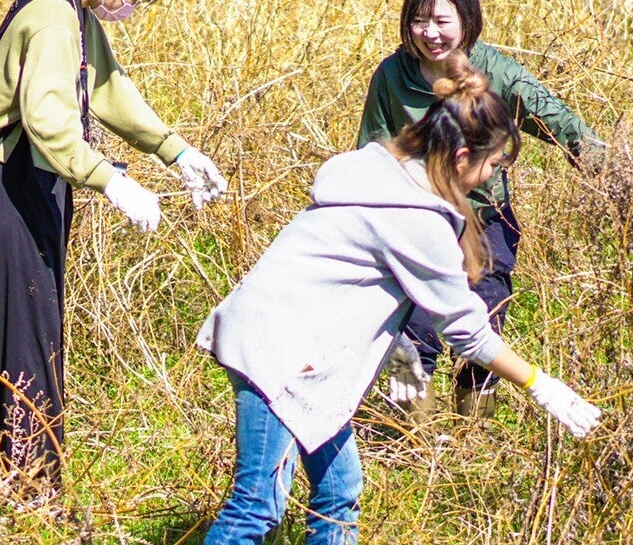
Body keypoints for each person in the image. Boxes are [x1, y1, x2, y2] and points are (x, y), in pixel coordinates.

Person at [196, 58, 602, 544]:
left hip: (278, 335)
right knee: (256, 506)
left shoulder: (378, 169)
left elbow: (346, 281)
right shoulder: (418, 218)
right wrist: (540, 384)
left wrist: (396, 347)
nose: (490, 177)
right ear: (462, 157)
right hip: (280, 352)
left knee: (338, 492)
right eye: (493, 165)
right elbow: (467, 332)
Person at [0, 0, 230, 494]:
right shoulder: (53, 17)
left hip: (39, 177)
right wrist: (111, 181)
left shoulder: (76, 9)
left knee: (34, 326)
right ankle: (30, 485)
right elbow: (46, 121)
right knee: (27, 332)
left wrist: (175, 151)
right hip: (10, 179)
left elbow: (110, 90)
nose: (130, 10)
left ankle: (18, 470)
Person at [357, 0, 604, 421]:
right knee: (415, 337)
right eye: (420, 21)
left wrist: (617, 173)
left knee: (485, 328)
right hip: (416, 223)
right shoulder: (392, 75)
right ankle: (416, 442)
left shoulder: (496, 70)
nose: (430, 34)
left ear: (467, 19)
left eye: (441, 20)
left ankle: (474, 438)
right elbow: (370, 152)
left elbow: (562, 124)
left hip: (485, 220)